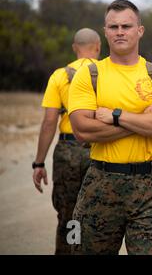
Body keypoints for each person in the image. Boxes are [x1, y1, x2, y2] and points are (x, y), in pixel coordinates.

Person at [68, 0, 152, 254]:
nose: (120, 31)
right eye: (114, 26)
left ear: (139, 31)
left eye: (127, 26)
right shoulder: (89, 74)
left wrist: (117, 116)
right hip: (101, 183)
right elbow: (82, 130)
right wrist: (144, 118)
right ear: (105, 31)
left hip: (150, 187)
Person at [32, 28, 101, 254]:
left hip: (68, 151)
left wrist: (39, 163)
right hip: (100, 149)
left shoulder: (60, 75)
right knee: (99, 215)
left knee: (69, 215)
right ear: (98, 48)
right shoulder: (105, 72)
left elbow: (49, 121)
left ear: (74, 48)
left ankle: (69, 249)